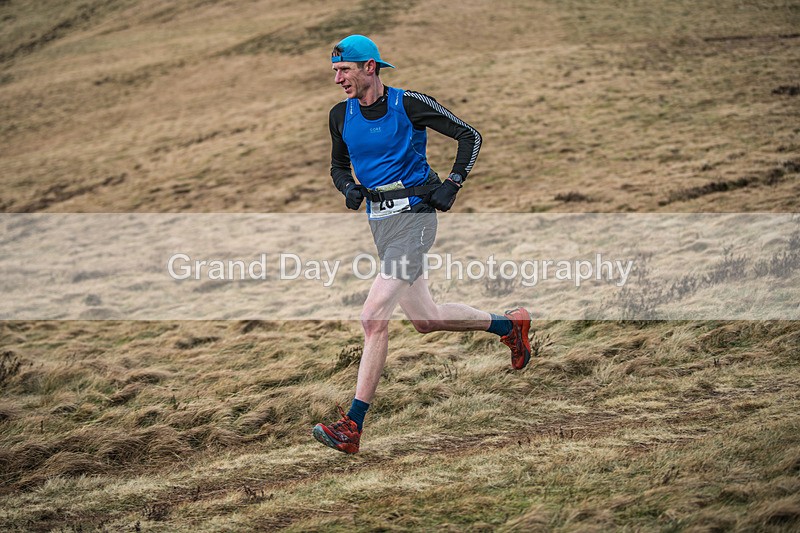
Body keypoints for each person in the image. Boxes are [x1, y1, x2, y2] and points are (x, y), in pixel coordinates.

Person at [312, 35, 532, 454]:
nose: (338, 78)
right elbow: (338, 164)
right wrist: (347, 187)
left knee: (373, 317)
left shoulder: (408, 104)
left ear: (370, 67)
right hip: (381, 224)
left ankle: (352, 426)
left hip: (415, 218)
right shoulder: (340, 115)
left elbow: (471, 136)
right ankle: (510, 325)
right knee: (426, 319)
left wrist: (453, 184)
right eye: (335, 71)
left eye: (344, 70)